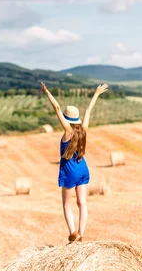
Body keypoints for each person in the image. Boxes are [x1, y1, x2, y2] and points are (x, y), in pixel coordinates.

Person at [40, 82, 109, 242]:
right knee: (82, 203)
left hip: (70, 171)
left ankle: (73, 232)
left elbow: (57, 108)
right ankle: (81, 233)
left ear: (67, 119)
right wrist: (96, 94)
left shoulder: (68, 131)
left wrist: (47, 92)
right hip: (83, 169)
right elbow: (89, 110)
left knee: (66, 205)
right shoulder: (83, 129)